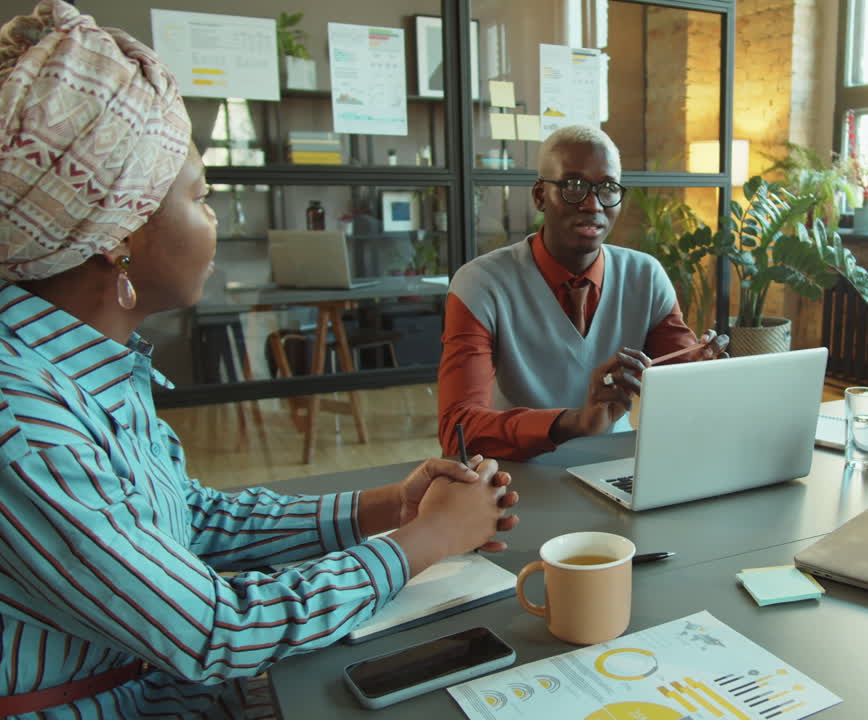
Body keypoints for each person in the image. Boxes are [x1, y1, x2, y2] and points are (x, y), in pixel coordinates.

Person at [0, 3, 518, 717]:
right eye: (199, 196)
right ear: (117, 233)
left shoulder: (79, 369)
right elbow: (215, 627)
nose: (212, 217)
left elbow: (191, 521)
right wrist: (424, 539)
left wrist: (384, 507)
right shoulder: (22, 426)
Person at [438, 125, 728, 461]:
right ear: (539, 196)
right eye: (573, 186)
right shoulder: (481, 284)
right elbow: (457, 431)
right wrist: (574, 422)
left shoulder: (645, 276)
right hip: (516, 474)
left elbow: (681, 385)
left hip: (614, 467)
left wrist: (708, 374)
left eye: (607, 188)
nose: (593, 204)